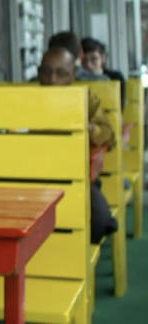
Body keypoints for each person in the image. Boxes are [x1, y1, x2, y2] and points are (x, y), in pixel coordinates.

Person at [37, 46, 117, 243]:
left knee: (98, 224)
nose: (52, 80)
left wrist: (89, 128)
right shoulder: (25, 98)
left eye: (61, 73)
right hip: (34, 178)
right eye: (46, 72)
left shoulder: (85, 99)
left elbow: (110, 137)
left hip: (77, 178)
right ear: (38, 73)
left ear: (72, 75)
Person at [81, 37, 126, 108]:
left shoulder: (115, 77)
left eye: (94, 59)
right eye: (84, 60)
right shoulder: (77, 78)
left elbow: (119, 106)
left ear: (103, 58)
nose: (88, 65)